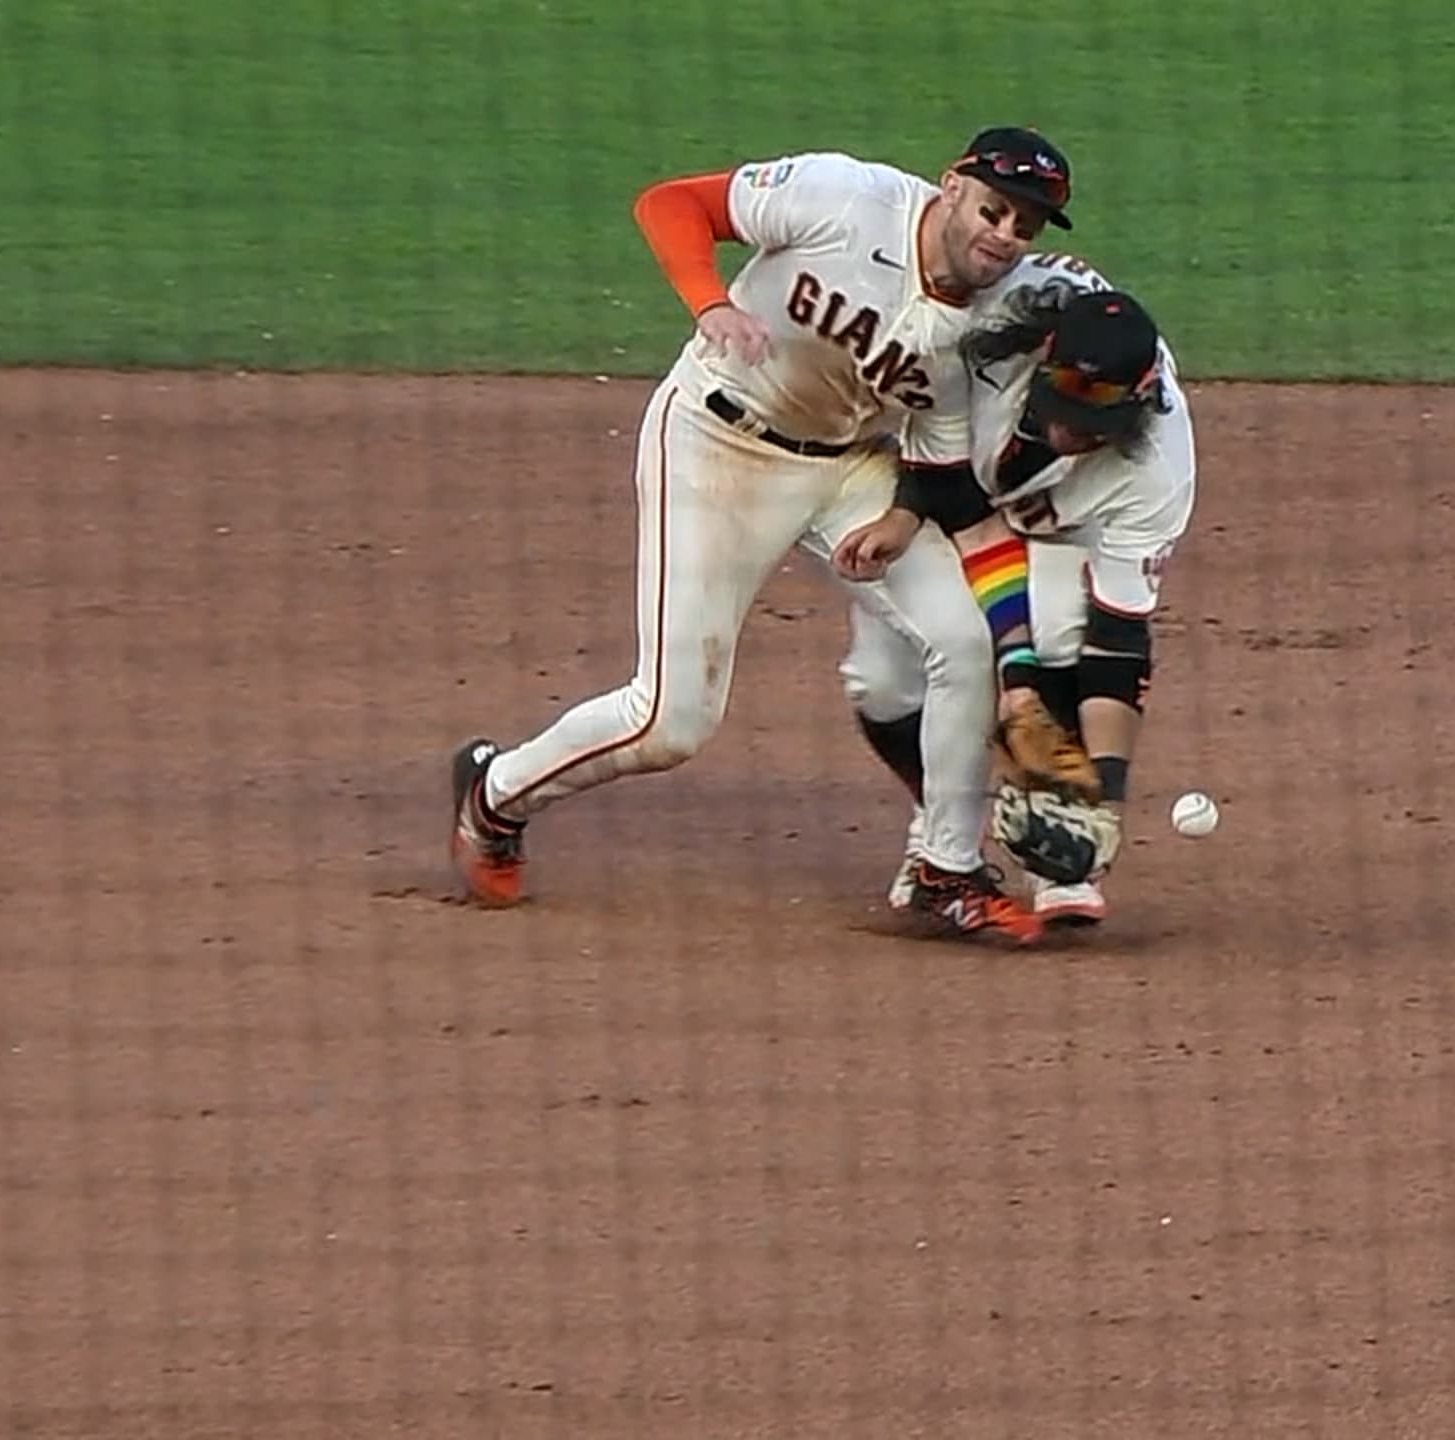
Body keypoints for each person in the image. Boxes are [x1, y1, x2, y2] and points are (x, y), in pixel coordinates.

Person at [448, 127, 1086, 944]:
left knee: (964, 642)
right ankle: (493, 797)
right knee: (670, 722)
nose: (1004, 235)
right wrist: (710, 301)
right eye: (995, 210)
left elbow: (941, 449)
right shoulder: (847, 199)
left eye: (1025, 227)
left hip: (851, 470)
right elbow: (673, 203)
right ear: (952, 186)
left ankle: (944, 869)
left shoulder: (1000, 318)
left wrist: (899, 520)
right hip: (720, 445)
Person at [833, 261, 1196, 930]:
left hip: (1060, 525)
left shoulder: (1157, 473)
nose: (1072, 430)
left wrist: (1105, 801)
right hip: (925, 486)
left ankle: (1060, 842)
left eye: (1095, 423)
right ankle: (942, 819)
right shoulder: (981, 335)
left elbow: (1118, 641)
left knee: (1061, 627)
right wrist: (1014, 670)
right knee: (882, 683)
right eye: (1066, 408)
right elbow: (950, 491)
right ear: (1046, 355)